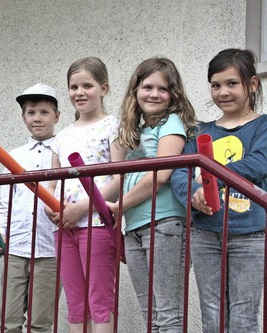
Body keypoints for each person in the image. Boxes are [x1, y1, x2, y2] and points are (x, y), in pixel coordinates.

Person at [171, 48, 267, 333]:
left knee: (243, 316)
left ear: (252, 84)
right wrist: (193, 194)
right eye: (216, 85)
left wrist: (210, 177)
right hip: (206, 231)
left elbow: (258, 163)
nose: (223, 92)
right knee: (212, 315)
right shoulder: (200, 131)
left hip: (251, 232)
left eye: (231, 83)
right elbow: (180, 171)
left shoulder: (263, 125)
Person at [107, 58, 197, 332]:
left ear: (173, 95)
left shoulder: (171, 123)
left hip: (166, 224)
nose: (154, 94)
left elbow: (159, 177)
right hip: (134, 226)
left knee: (168, 315)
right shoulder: (133, 130)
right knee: (151, 315)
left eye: (163, 89)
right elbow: (116, 176)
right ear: (135, 90)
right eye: (147, 87)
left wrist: (119, 206)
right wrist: (89, 206)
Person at [44, 57, 125, 333]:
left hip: (97, 223)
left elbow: (119, 176)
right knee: (75, 302)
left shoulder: (114, 125)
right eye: (73, 86)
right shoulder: (62, 136)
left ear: (103, 88)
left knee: (99, 299)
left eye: (87, 85)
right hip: (64, 226)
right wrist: (48, 206)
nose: (79, 92)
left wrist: (82, 208)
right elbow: (52, 182)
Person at [0, 83, 60, 333]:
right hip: (16, 247)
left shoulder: (64, 151)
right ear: (23, 117)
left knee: (40, 323)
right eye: (31, 112)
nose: (37, 118)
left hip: (51, 249)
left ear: (56, 116)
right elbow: (4, 203)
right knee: (9, 320)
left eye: (44, 112)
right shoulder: (14, 156)